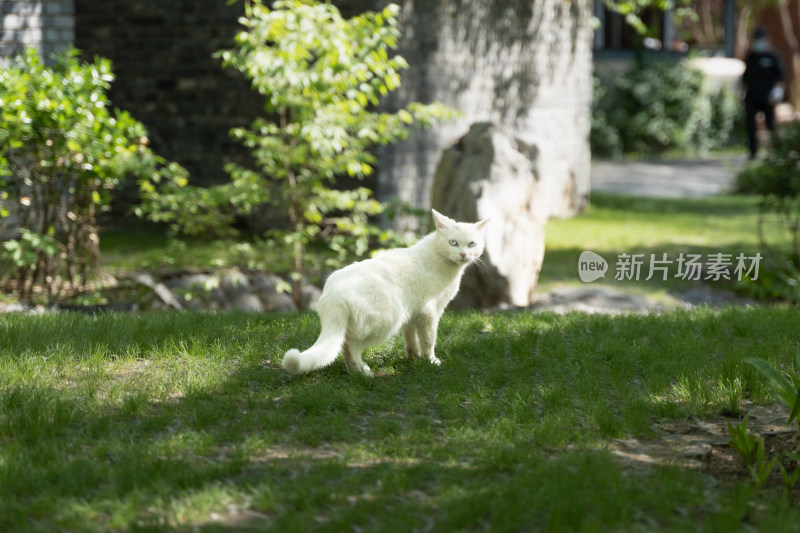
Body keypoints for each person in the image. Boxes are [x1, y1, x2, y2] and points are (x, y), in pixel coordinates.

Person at [742, 26, 786, 160]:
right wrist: (742, 92)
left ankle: (776, 153)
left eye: (760, 39)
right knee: (750, 125)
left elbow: (781, 77)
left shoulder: (773, 56)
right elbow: (745, 78)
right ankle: (753, 152)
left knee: (771, 124)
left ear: (767, 39)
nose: (758, 42)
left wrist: (778, 91)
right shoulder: (751, 56)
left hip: (768, 97)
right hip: (752, 96)